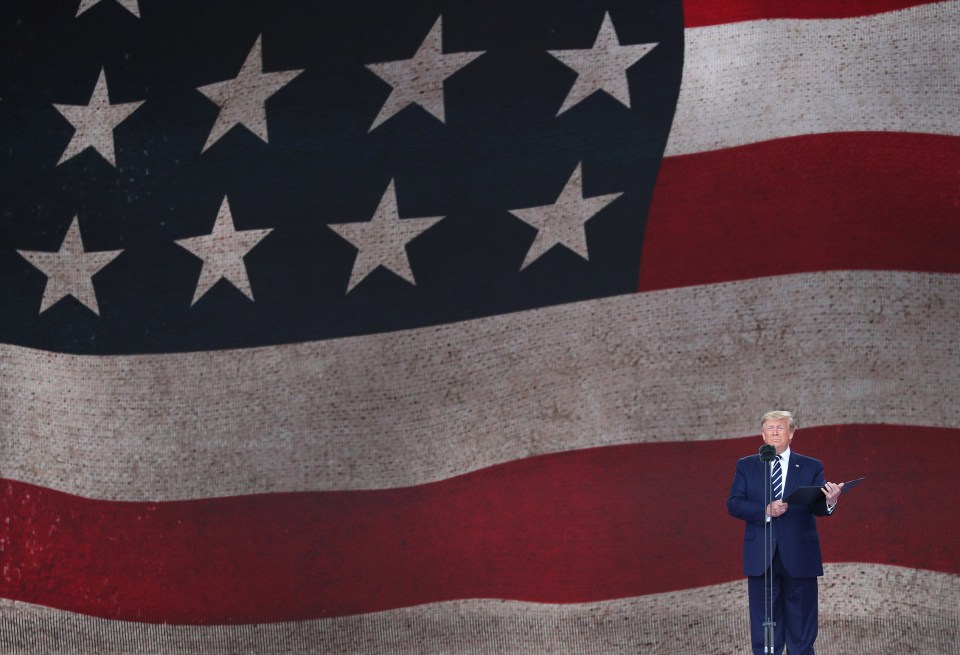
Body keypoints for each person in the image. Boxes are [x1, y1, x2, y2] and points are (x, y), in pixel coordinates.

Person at [727, 410, 843, 655]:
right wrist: (765, 510)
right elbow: (734, 503)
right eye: (770, 428)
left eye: (780, 428)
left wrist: (831, 500)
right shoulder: (746, 466)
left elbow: (817, 507)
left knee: (802, 625)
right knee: (765, 625)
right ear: (762, 434)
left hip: (801, 556)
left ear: (791, 433)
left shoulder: (811, 466)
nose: (775, 432)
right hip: (762, 556)